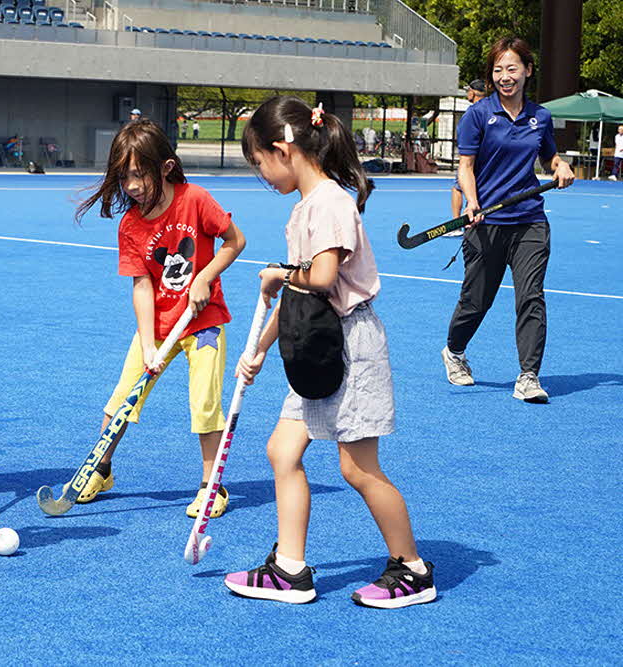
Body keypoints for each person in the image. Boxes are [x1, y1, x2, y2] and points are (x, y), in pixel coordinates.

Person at [223, 95, 434, 609]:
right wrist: (259, 350)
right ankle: (290, 570)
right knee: (282, 450)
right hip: (314, 342)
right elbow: (299, 296)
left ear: (283, 150)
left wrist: (277, 272)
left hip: (349, 348)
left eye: (260, 165)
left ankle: (412, 569)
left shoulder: (332, 202)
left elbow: (318, 278)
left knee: (357, 468)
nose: (263, 177)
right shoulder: (304, 209)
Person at [74, 119, 246, 517]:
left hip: (203, 323)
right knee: (121, 400)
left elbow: (235, 241)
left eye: (139, 175)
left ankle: (212, 486)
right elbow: (141, 286)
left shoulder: (196, 199)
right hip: (158, 326)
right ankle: (100, 469)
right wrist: (148, 342)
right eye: (124, 177)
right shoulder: (131, 224)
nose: (132, 186)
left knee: (205, 404)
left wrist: (205, 276)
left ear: (165, 168)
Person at [442, 37, 574, 403]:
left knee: (531, 296)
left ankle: (528, 376)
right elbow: (465, 168)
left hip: (530, 220)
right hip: (486, 222)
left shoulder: (540, 117)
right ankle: (454, 351)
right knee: (476, 300)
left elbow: (549, 157)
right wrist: (471, 202)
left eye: (512, 68)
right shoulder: (478, 116)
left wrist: (560, 165)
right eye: (498, 69)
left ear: (528, 71)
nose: (505, 76)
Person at [446, 80, 488, 237]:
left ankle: (456, 224)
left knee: (458, 187)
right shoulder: (492, 110)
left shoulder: (472, 113)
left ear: (472, 93)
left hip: (471, 160)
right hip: (487, 162)